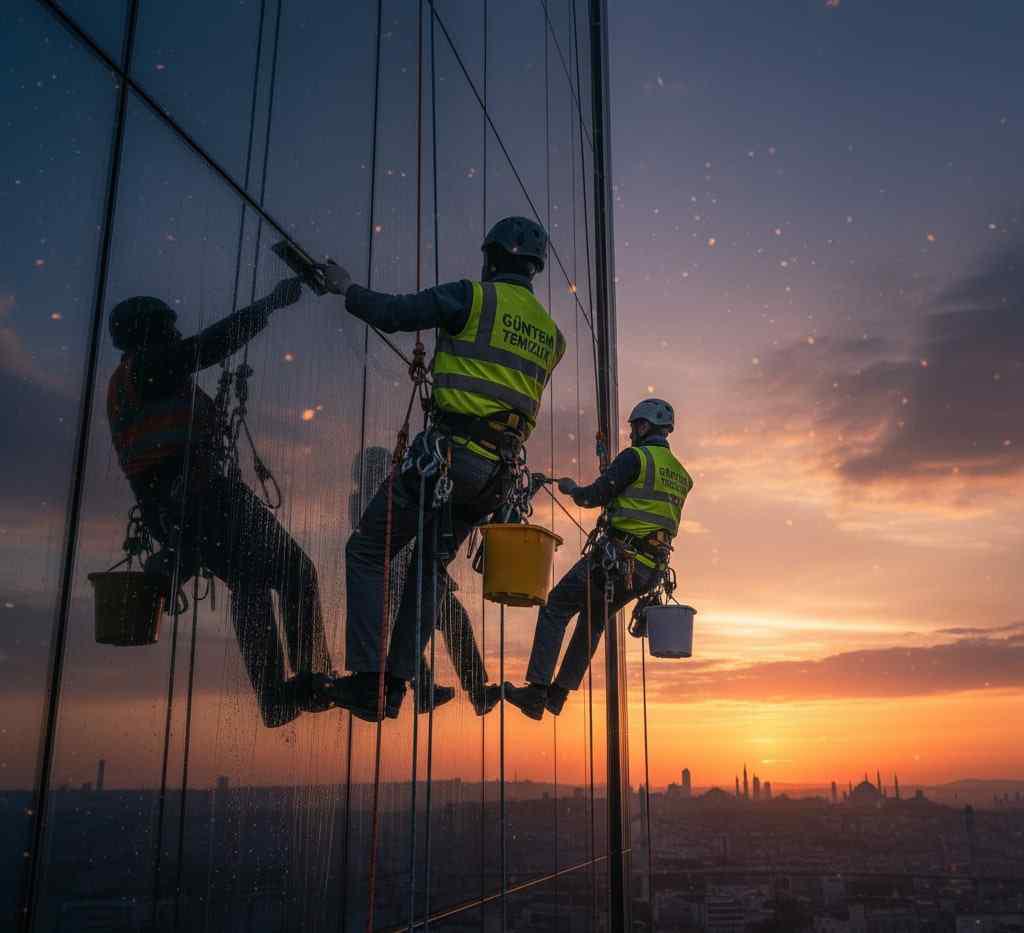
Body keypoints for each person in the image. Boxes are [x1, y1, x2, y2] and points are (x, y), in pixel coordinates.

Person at [322, 216, 565, 721]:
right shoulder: (552, 336)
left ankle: (370, 678)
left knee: (367, 550)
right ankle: (395, 685)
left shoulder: (471, 297)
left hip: (447, 458)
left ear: (492, 256)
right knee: (428, 569)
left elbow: (392, 313)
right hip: (492, 478)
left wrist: (345, 288)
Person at [105, 280, 339, 728]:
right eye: (167, 329)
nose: (175, 335)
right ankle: (308, 680)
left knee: (251, 582)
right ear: (148, 333)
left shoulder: (140, 382)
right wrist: (268, 305)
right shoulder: (146, 369)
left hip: (184, 505)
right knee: (296, 573)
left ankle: (281, 696)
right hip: (202, 498)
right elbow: (206, 347)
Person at [503, 398, 693, 720]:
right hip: (646, 571)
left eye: (634, 428)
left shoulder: (636, 458)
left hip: (617, 559)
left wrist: (572, 488)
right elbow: (644, 509)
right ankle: (558, 695)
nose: (631, 434)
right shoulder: (680, 475)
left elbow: (593, 496)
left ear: (644, 427)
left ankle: (536, 691)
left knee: (557, 607)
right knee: (592, 620)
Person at [348, 448, 501, 717]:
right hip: (402, 577)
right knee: (432, 627)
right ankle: (449, 689)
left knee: (435, 626)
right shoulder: (376, 499)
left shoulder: (390, 496)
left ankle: (433, 689)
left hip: (405, 575)